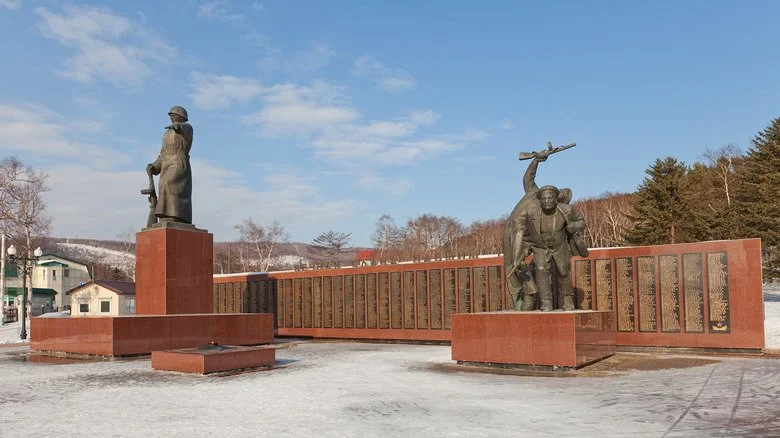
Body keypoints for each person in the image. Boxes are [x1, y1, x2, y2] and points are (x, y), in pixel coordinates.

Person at [522, 184, 588, 311]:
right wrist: (526, 247)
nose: (547, 201)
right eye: (544, 199)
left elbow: (581, 221)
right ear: (540, 200)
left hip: (560, 246)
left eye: (550, 198)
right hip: (541, 247)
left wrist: (575, 226)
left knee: (564, 271)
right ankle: (546, 302)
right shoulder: (531, 213)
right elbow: (527, 232)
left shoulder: (567, 210)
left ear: (555, 198)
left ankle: (568, 300)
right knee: (540, 269)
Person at [147, 106, 193, 224]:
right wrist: (155, 166)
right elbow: (162, 154)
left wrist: (177, 127)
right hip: (166, 164)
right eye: (170, 115)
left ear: (180, 116)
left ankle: (176, 215)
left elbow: (183, 128)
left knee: (170, 183)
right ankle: (166, 215)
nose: (170, 117)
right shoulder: (167, 133)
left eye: (173, 115)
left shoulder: (187, 128)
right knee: (163, 186)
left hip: (179, 162)